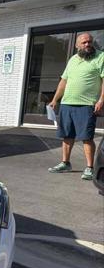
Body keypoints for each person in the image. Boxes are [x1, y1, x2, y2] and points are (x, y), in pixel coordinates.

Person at [48, 32, 104, 180]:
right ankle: (65, 163)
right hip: (67, 103)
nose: (88, 45)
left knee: (86, 137)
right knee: (67, 135)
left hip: (86, 104)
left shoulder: (100, 57)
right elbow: (63, 81)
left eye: (90, 42)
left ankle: (89, 167)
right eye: (84, 42)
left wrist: (101, 100)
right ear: (77, 45)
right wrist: (55, 100)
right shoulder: (72, 59)